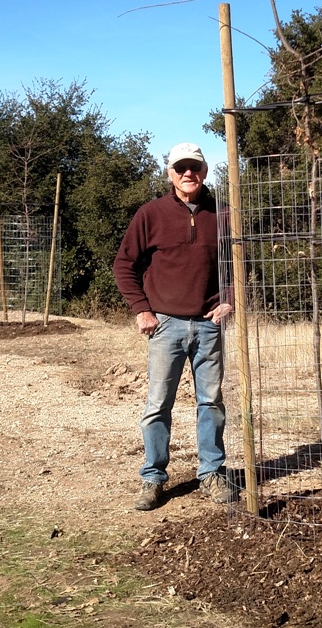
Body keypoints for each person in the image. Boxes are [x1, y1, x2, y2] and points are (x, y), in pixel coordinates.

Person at [113, 142, 237, 511]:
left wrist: (228, 299)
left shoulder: (225, 214)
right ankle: (152, 478)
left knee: (211, 402)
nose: (188, 174)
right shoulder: (150, 214)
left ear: (204, 172)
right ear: (169, 173)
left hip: (209, 325)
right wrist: (142, 310)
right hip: (165, 326)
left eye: (195, 167)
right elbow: (124, 265)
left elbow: (235, 264)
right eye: (181, 168)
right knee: (157, 404)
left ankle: (212, 473)